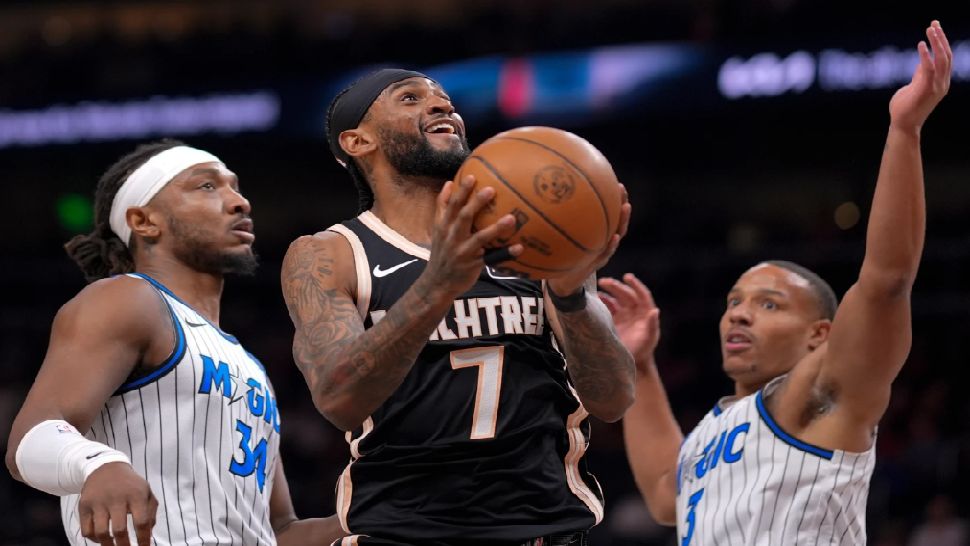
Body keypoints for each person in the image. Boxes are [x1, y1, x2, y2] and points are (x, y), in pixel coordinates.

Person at [601, 20, 952, 546]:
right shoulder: (714, 428)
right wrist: (643, 364)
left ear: (819, 335)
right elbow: (660, 490)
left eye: (769, 304)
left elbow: (886, 281)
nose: (739, 313)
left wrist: (905, 132)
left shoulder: (822, 396)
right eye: (735, 301)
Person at [281, 68, 636, 545]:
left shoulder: (534, 239)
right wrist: (437, 286)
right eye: (410, 98)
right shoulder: (330, 254)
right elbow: (339, 400)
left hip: (544, 530)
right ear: (357, 141)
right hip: (401, 533)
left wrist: (571, 297)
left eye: (446, 99)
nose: (442, 105)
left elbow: (613, 400)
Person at [5, 140, 342, 546]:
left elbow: (279, 531)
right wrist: (97, 464)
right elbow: (29, 440)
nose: (240, 202)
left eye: (236, 187)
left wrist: (371, 520)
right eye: (207, 187)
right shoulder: (126, 300)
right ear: (145, 220)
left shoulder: (249, 364)